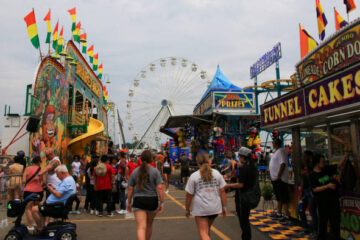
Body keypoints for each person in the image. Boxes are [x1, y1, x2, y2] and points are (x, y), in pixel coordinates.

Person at [185, 152, 227, 240]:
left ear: (197, 163)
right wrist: (224, 207)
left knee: (203, 233)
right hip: (215, 208)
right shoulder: (217, 173)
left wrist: (187, 209)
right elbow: (222, 191)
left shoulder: (194, 176)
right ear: (209, 161)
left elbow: (189, 195)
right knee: (206, 231)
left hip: (201, 208)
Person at [127, 150, 164, 240]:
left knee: (141, 227)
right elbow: (159, 188)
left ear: (140, 158)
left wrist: (129, 202)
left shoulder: (135, 171)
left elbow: (130, 188)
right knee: (149, 225)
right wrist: (162, 203)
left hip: (139, 200)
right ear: (151, 159)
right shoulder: (155, 171)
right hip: (152, 200)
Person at [310, 154, 346, 240]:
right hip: (322, 202)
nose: (324, 163)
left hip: (333, 200)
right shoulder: (312, 175)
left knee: (335, 223)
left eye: (324, 161)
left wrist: (345, 156)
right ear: (317, 163)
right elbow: (314, 189)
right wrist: (327, 186)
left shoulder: (326, 169)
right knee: (323, 222)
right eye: (322, 161)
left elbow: (338, 165)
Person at [31, 165, 76, 232]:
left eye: (57, 175)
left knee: (34, 209)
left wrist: (51, 189)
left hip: (56, 206)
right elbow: (61, 191)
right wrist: (54, 188)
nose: (57, 177)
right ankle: (43, 226)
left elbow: (58, 195)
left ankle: (40, 229)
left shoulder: (67, 181)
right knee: (41, 204)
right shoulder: (69, 179)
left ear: (62, 173)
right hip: (55, 204)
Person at [225, 147, 256, 240]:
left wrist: (228, 186)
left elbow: (240, 184)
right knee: (245, 219)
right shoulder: (252, 167)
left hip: (243, 197)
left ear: (242, 157)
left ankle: (246, 238)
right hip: (250, 195)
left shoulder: (243, 168)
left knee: (243, 221)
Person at [269, 138, 290, 220]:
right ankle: (279, 213)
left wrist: (279, 176)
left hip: (280, 179)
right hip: (275, 179)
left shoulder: (281, 151)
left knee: (283, 197)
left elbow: (283, 164)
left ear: (276, 143)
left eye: (273, 142)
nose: (272, 144)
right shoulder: (276, 152)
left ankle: (286, 214)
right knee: (279, 197)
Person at [22, 156, 45, 233]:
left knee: (28, 208)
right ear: (39, 162)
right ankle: (38, 225)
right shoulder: (41, 170)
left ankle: (30, 226)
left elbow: (24, 181)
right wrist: (39, 185)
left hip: (28, 191)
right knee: (36, 209)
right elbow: (44, 181)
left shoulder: (27, 169)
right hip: (38, 191)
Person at [299, 150, 318, 235]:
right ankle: (305, 227)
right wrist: (301, 189)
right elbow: (303, 178)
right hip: (305, 190)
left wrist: (307, 172)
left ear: (309, 157)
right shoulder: (303, 166)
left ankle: (316, 230)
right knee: (301, 209)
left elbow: (312, 179)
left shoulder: (313, 166)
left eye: (304, 156)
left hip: (310, 190)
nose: (302, 158)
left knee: (312, 210)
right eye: (302, 156)